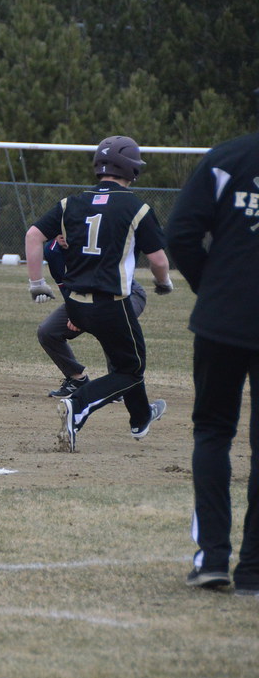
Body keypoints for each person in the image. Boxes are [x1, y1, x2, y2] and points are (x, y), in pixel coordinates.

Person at [24, 135, 174, 453]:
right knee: (131, 370)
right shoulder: (136, 206)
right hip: (111, 303)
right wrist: (164, 283)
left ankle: (141, 418)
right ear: (131, 168)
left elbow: (33, 235)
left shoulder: (70, 204)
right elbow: (159, 260)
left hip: (75, 303)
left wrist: (36, 283)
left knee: (125, 361)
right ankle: (77, 406)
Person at [167, 129, 259, 595]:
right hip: (225, 315)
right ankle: (255, 571)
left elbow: (180, 233)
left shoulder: (227, 159)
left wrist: (216, 290)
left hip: (221, 322)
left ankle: (214, 560)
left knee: (212, 433)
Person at [36, 236, 148, 398]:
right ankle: (77, 380)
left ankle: (119, 385)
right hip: (82, 298)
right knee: (48, 331)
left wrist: (84, 315)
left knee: (111, 324)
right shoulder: (53, 252)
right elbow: (66, 289)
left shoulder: (94, 239)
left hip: (124, 294)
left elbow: (103, 286)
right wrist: (77, 313)